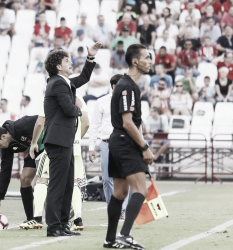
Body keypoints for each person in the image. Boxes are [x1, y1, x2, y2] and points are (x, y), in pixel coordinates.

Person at [42, 42, 101, 237]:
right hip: (58, 140)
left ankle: (62, 225)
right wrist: (80, 109)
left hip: (64, 140)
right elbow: (69, 109)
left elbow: (84, 77)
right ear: (58, 66)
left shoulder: (64, 82)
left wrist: (90, 57)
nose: (70, 62)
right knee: (58, 185)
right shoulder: (58, 82)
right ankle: (54, 226)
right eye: (67, 60)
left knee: (67, 185)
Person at [104, 44, 153, 249]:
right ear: (135, 61)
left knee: (119, 193)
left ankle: (110, 239)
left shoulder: (127, 85)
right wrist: (144, 147)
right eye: (147, 58)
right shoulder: (128, 86)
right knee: (140, 190)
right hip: (125, 141)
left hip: (117, 140)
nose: (150, 61)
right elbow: (127, 122)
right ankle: (124, 235)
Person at [31, 95, 89, 231]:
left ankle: (37, 218)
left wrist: (34, 142)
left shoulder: (50, 97)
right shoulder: (78, 98)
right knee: (74, 182)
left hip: (56, 145)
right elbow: (86, 123)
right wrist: (76, 140)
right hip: (75, 148)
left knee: (42, 180)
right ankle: (77, 220)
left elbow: (40, 122)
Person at [0, 115, 45, 229]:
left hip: (51, 146)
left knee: (44, 181)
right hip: (36, 151)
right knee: (25, 179)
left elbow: (44, 119)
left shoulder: (23, 125)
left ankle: (64, 215)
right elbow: (5, 171)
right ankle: (31, 219)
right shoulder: (6, 148)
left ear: (3, 136)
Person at [88, 75, 129, 218]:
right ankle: (114, 208)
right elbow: (94, 125)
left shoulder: (128, 102)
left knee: (124, 178)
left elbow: (136, 123)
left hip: (124, 144)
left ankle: (122, 210)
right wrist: (91, 147)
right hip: (106, 143)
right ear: (113, 86)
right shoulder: (101, 102)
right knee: (106, 180)